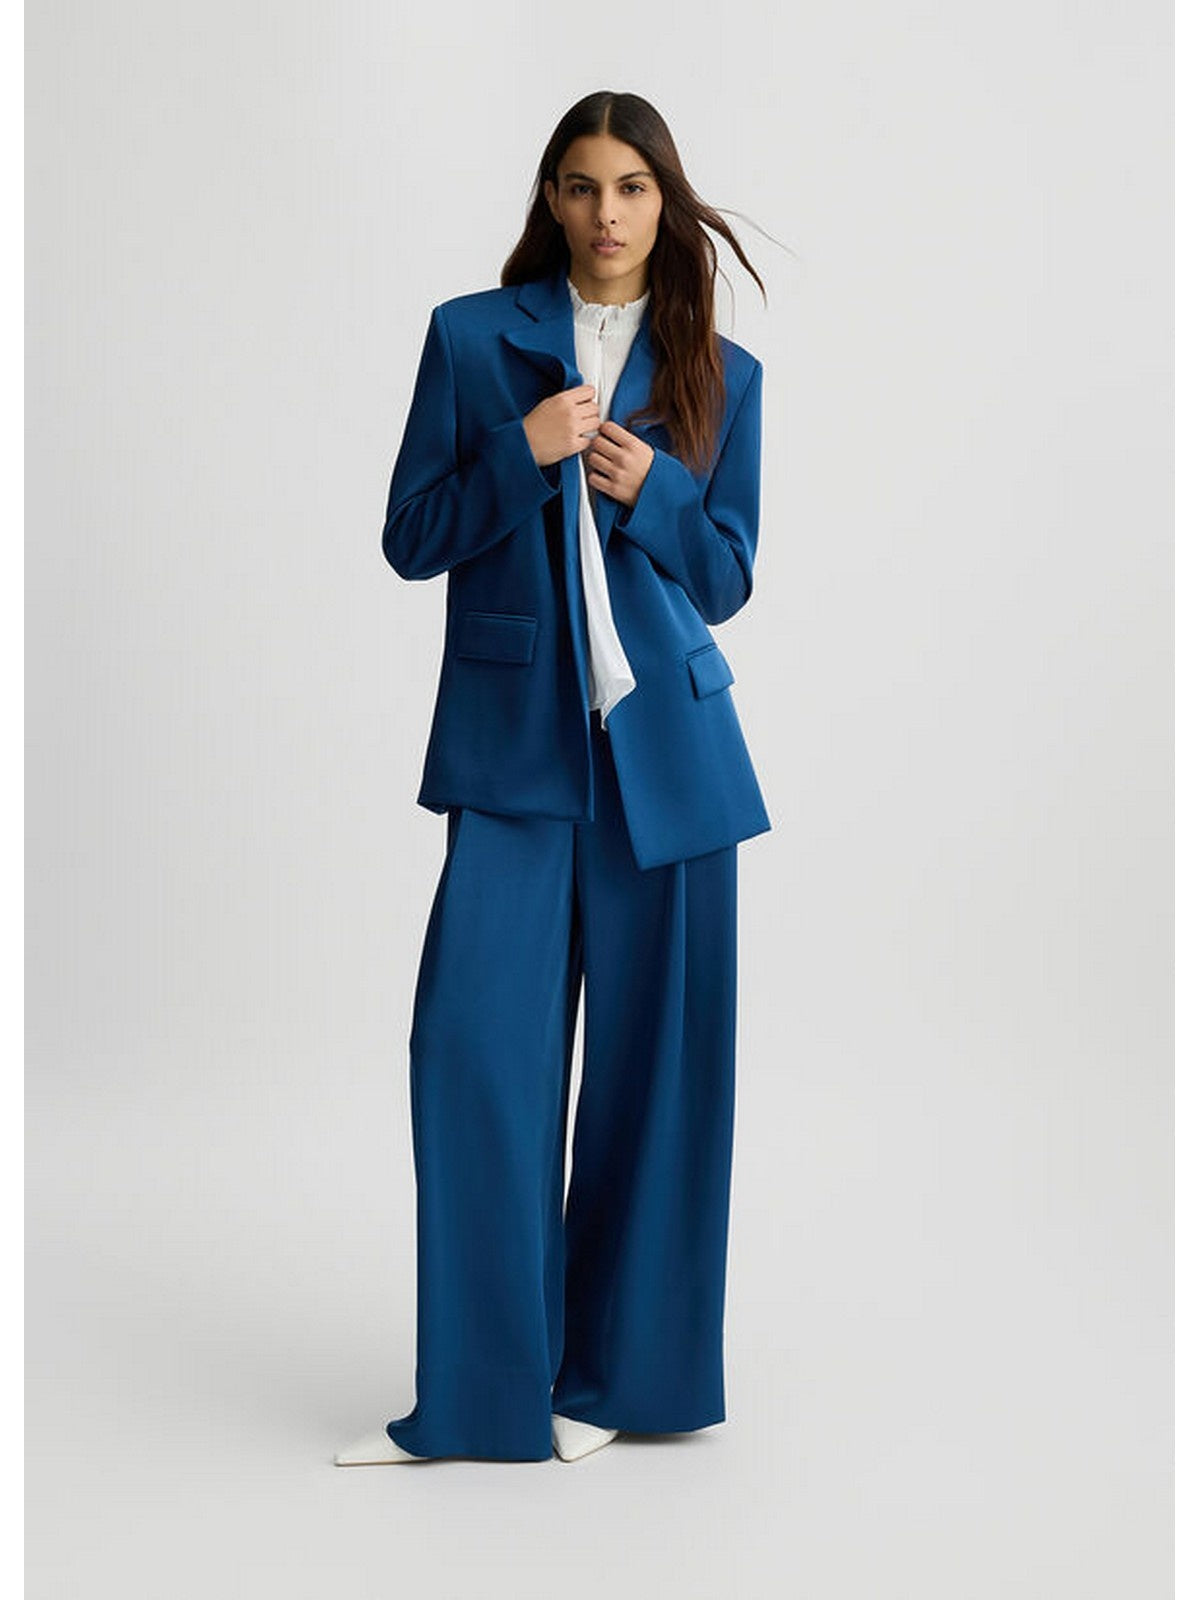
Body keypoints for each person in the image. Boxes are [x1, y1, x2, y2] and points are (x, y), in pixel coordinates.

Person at [336, 89, 771, 1466]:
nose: (606, 213)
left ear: (665, 202)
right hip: (515, 753)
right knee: (473, 1054)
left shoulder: (722, 371)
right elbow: (412, 536)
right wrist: (520, 458)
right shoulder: (473, 338)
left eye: (633, 187)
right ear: (551, 198)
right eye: (582, 186)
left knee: (660, 1080)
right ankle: (478, 1399)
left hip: (672, 766)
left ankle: (621, 1385)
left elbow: (727, 576)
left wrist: (659, 492)